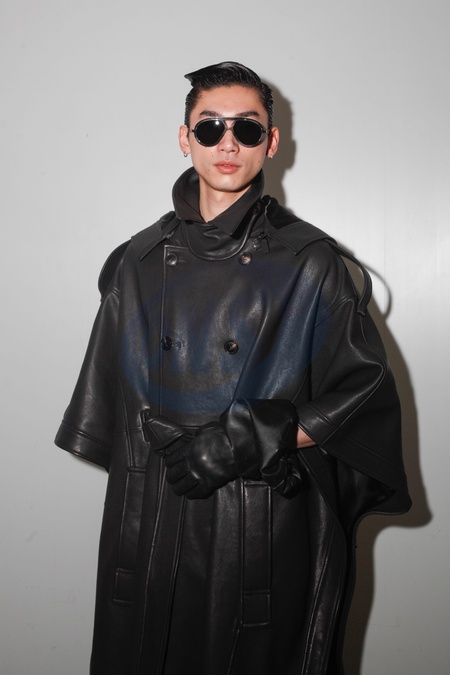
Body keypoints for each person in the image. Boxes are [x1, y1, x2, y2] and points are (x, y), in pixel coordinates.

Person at [55, 62, 411, 675]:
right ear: (185, 138)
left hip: (257, 524)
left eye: (246, 129)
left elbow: (364, 392)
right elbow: (112, 417)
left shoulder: (311, 261)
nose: (227, 143)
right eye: (210, 127)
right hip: (151, 518)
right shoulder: (136, 260)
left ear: (270, 142)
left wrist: (252, 437)